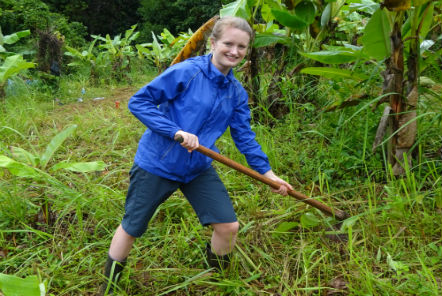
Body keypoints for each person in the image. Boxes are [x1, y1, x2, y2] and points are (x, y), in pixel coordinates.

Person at [101, 16, 293, 293]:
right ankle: (109, 287)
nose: (234, 51)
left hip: (198, 168)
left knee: (228, 226)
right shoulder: (187, 72)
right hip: (158, 163)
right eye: (228, 43)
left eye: (242, 47)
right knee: (132, 227)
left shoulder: (236, 92)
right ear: (213, 43)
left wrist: (268, 173)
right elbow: (139, 102)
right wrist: (175, 131)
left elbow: (245, 136)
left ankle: (219, 283)